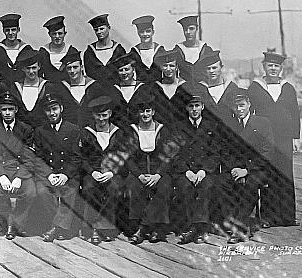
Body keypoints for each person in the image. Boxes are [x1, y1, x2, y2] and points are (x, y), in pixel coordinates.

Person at [0, 92, 49, 240]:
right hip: (0, 171)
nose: (7, 113)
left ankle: (17, 224)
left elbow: (29, 157)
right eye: (4, 109)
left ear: (16, 110)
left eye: (10, 109)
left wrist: (20, 177)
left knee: (31, 193)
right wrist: (1, 176)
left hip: (21, 171)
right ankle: (7, 223)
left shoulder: (26, 129)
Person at [247, 51, 298, 227]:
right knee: (267, 175)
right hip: (265, 139)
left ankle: (288, 217)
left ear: (281, 68)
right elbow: (250, 113)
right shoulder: (255, 87)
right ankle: (268, 217)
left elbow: (295, 113)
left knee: (285, 175)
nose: (273, 69)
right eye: (270, 65)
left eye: (276, 66)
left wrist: (296, 137)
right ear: (264, 67)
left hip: (285, 139)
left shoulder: (288, 88)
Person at [31, 94, 91, 242]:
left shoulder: (73, 130)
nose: (52, 113)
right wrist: (49, 174)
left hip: (68, 174)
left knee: (69, 191)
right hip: (49, 173)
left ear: (61, 109)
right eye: (48, 110)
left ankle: (55, 228)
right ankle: (56, 225)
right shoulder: (40, 131)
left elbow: (76, 158)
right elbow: (38, 158)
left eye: (55, 109)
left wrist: (65, 175)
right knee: (42, 191)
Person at [170, 91, 227, 245]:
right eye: (191, 106)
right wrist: (187, 171)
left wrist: (204, 171)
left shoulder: (211, 126)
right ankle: (191, 227)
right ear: (186, 108)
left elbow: (216, 153)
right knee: (185, 187)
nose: (194, 109)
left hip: (205, 171)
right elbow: (174, 154)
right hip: (185, 171)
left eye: (197, 106)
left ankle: (199, 229)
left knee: (206, 187)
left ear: (202, 107)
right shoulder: (178, 127)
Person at [122, 94, 177, 244]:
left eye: (148, 111)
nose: (145, 115)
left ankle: (144, 228)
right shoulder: (132, 130)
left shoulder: (162, 130)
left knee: (164, 186)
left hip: (158, 171)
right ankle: (151, 228)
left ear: (153, 112)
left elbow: (168, 157)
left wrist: (158, 175)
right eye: (142, 112)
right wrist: (139, 175)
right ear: (138, 114)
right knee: (133, 186)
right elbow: (128, 158)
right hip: (138, 171)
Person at [223, 93, 273, 243]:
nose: (239, 109)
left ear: (249, 104)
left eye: (242, 105)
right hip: (237, 168)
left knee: (251, 185)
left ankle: (240, 228)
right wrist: (234, 168)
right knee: (221, 183)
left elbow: (267, 151)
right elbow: (226, 150)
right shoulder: (231, 124)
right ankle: (230, 221)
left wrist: (247, 170)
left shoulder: (262, 122)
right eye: (236, 106)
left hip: (259, 168)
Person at [79, 96, 129, 244]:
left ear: (110, 114)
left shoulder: (119, 133)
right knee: (88, 188)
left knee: (113, 187)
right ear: (93, 115)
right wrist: (92, 172)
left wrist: (112, 172)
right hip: (93, 172)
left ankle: (105, 228)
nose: (101, 119)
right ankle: (91, 228)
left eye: (104, 115)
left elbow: (123, 156)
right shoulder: (87, 132)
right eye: (98, 115)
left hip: (112, 172)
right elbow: (81, 157)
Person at [0, 14, 37, 82]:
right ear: (3, 31)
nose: (10, 33)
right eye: (7, 30)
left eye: (13, 30)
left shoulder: (27, 49)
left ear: (18, 30)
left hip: (23, 86)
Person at [9, 51, 51, 125]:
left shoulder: (47, 86)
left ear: (39, 67)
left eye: (34, 68)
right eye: (28, 68)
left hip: (42, 127)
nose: (31, 71)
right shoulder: (16, 87)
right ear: (23, 69)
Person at [82, 14, 127, 82]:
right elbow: (89, 73)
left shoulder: (119, 50)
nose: (99, 32)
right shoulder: (90, 52)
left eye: (102, 29)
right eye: (96, 30)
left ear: (109, 27)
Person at [172, 16, 215, 83]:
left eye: (191, 29)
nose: (188, 32)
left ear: (197, 29)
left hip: (203, 88)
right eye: (185, 29)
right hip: (184, 89)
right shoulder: (177, 50)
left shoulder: (206, 50)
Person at [36, 16, 74, 82]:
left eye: (60, 33)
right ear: (49, 34)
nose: (57, 37)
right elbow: (39, 75)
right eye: (54, 34)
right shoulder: (43, 52)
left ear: (65, 34)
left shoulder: (71, 51)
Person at [129, 16, 164, 83]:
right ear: (138, 33)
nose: (145, 34)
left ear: (153, 32)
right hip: (141, 89)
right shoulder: (134, 52)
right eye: (142, 32)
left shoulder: (160, 50)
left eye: (148, 31)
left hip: (158, 88)